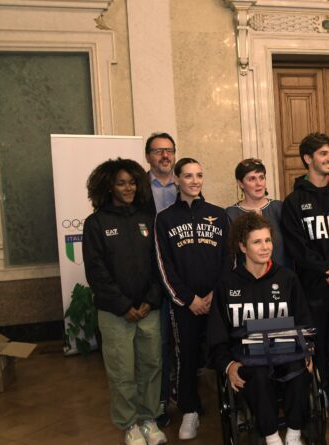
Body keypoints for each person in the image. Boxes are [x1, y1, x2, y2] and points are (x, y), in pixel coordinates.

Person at [82, 158, 167, 445]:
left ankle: (149, 418)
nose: (128, 187)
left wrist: (150, 299)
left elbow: (159, 263)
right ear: (108, 186)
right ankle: (129, 424)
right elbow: (96, 271)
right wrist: (122, 305)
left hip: (148, 309)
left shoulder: (148, 218)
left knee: (151, 366)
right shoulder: (96, 223)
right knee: (121, 371)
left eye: (132, 182)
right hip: (115, 312)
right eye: (121, 183)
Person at [209, 212, 313, 445]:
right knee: (257, 376)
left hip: (285, 352)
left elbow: (304, 322)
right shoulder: (227, 284)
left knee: (300, 369)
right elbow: (217, 336)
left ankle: (294, 434)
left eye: (268, 240)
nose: (265, 247)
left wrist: (308, 350)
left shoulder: (287, 279)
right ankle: (272, 436)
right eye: (257, 242)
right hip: (248, 359)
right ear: (242, 247)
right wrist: (228, 365)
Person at [281, 132, 329, 403]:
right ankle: (323, 390)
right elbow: (297, 248)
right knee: (318, 342)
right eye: (324, 154)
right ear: (308, 159)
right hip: (314, 286)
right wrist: (327, 269)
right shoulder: (293, 202)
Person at [155, 158, 230, 440]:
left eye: (199, 175)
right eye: (188, 176)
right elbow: (164, 265)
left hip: (215, 300)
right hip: (184, 304)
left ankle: (232, 403)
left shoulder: (219, 215)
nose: (195, 181)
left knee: (222, 351)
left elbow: (228, 259)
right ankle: (190, 410)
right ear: (177, 179)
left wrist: (215, 295)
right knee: (185, 356)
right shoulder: (164, 219)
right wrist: (188, 299)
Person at [143, 132, 177, 427]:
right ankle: (160, 400)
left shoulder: (186, 184)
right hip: (152, 278)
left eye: (169, 151)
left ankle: (186, 394)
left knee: (184, 341)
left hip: (181, 277)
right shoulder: (137, 189)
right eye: (158, 151)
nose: (164, 156)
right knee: (159, 345)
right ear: (148, 157)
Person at [226, 158, 289, 268]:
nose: (259, 183)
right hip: (247, 281)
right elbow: (230, 255)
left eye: (261, 177)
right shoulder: (231, 214)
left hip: (282, 278)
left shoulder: (280, 208)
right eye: (252, 179)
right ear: (240, 183)